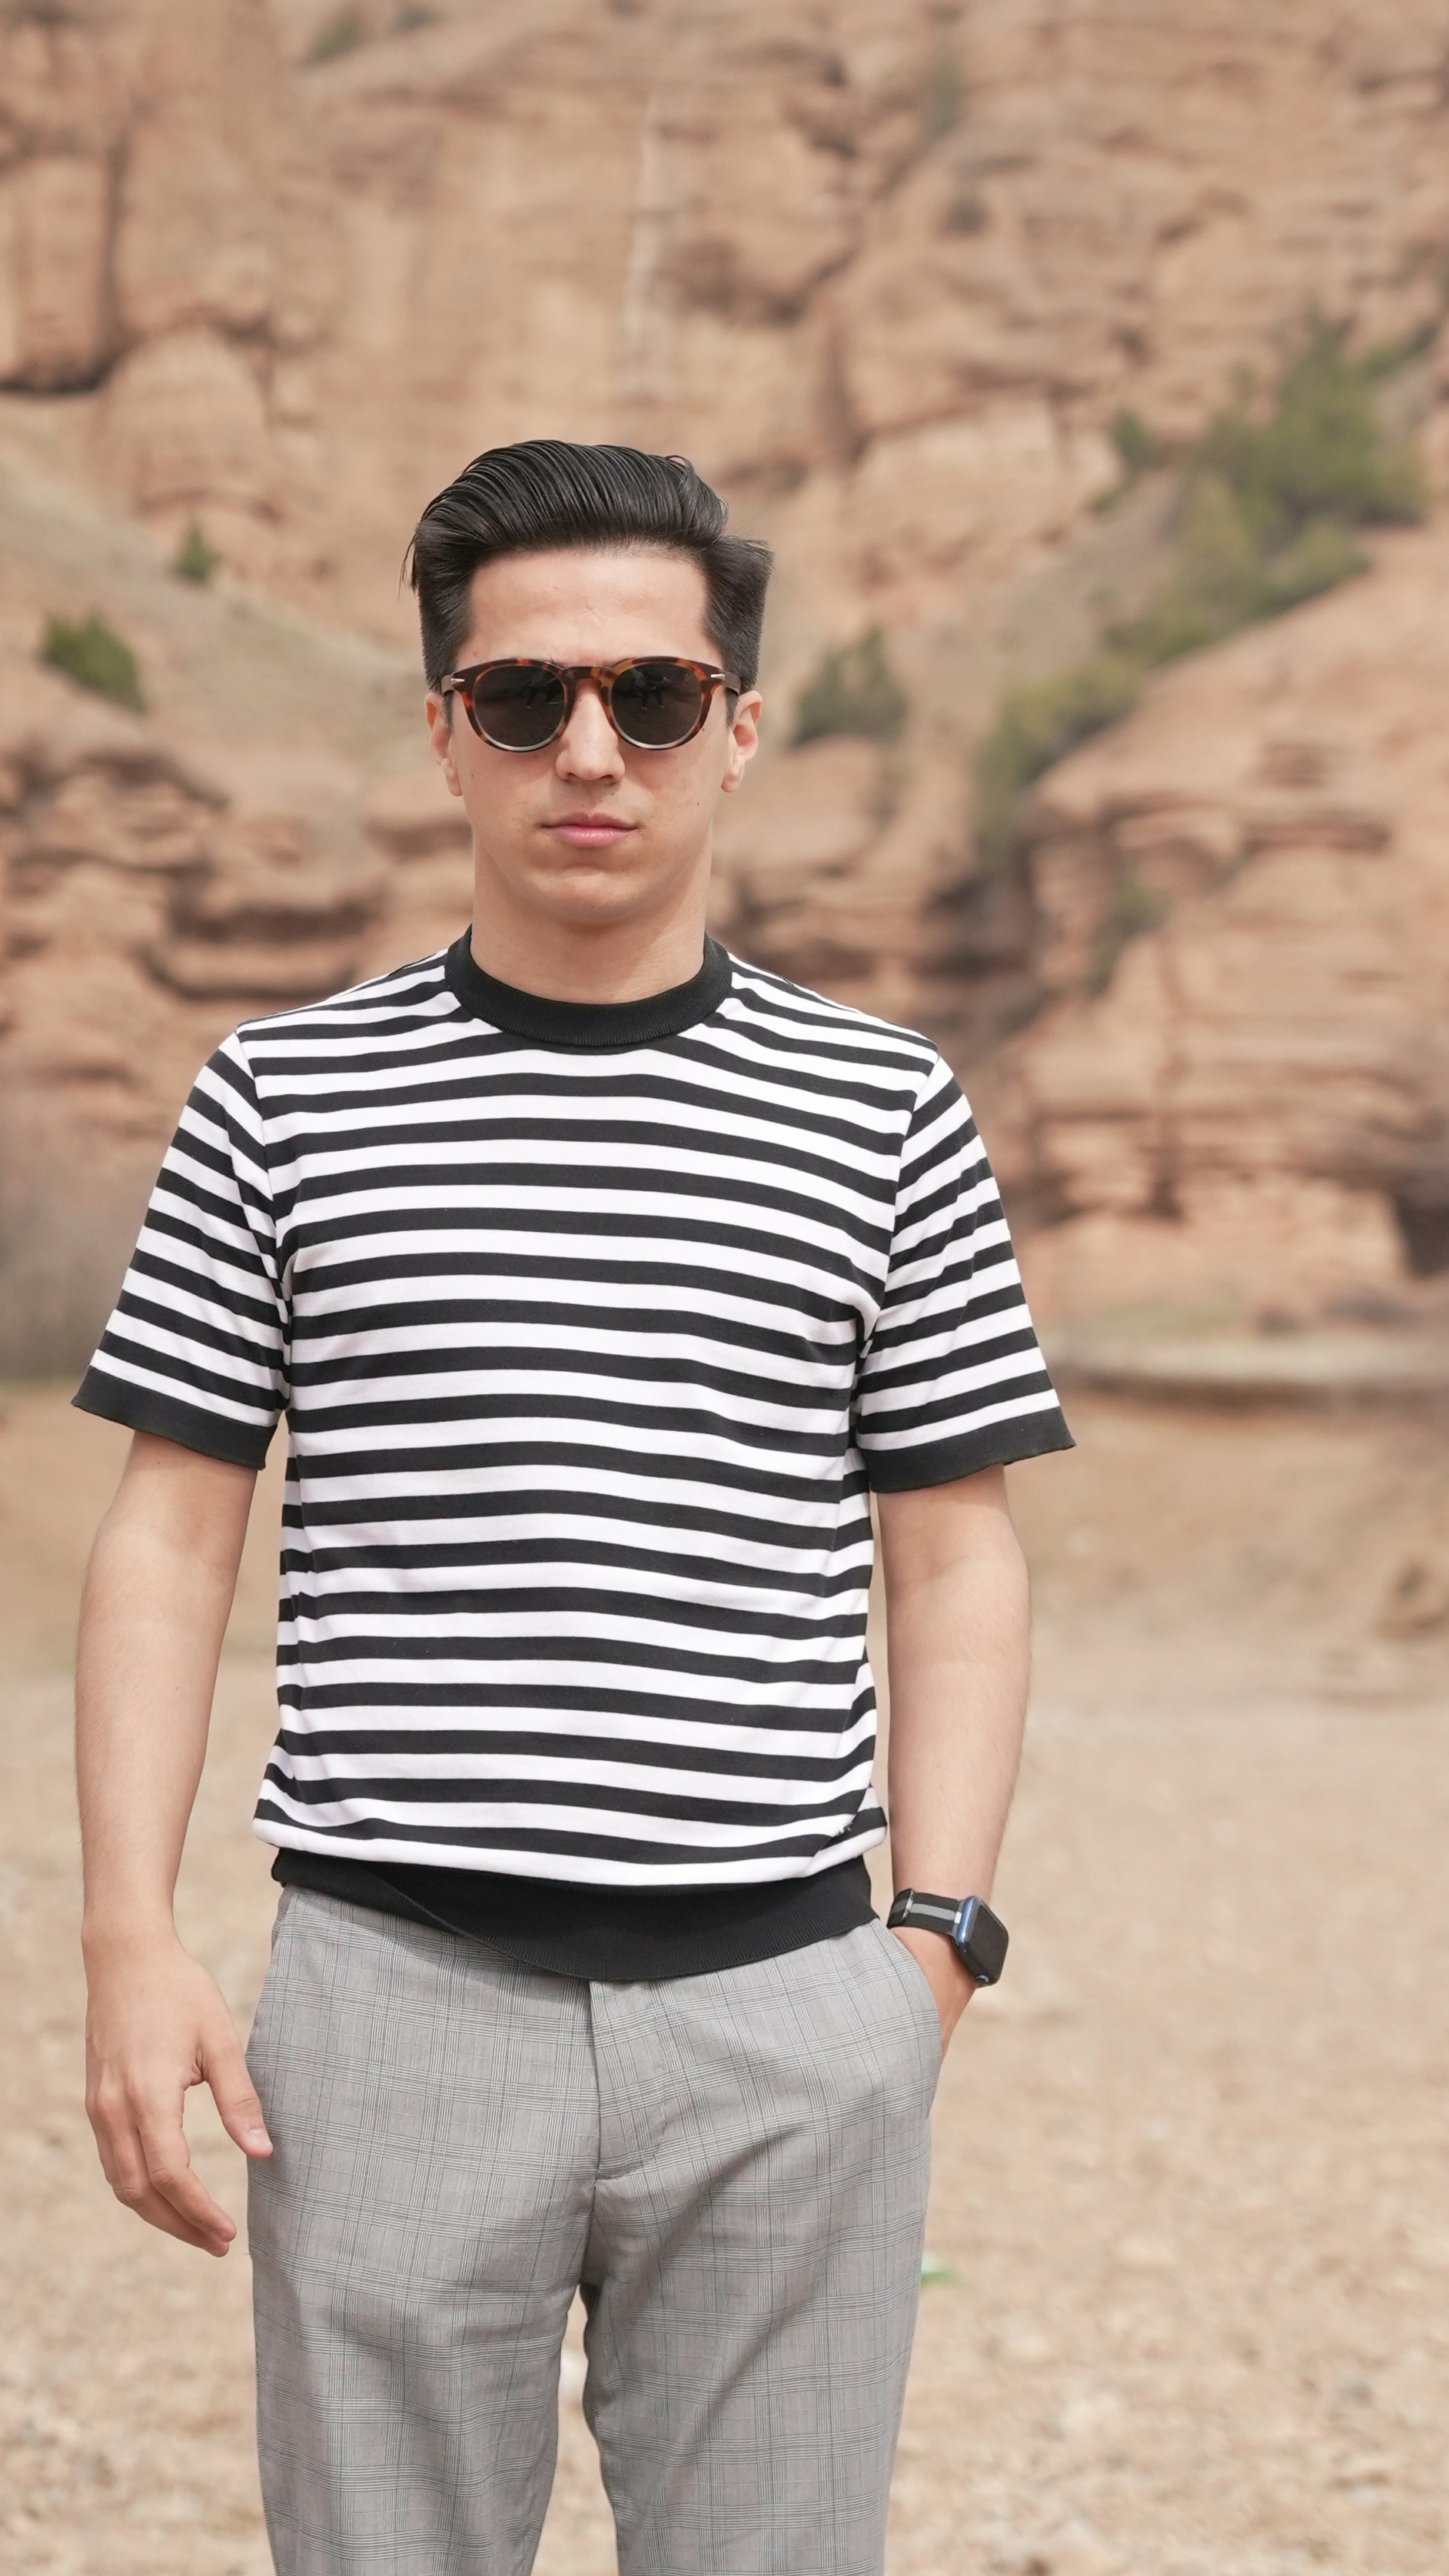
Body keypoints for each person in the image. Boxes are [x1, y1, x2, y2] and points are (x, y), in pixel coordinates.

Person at [72, 439, 1073, 2576]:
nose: (592, 751)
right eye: (526, 698)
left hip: (790, 2018)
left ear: (741, 726)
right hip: (389, 2005)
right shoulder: (279, 1100)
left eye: (655, 695)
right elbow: (168, 1536)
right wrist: (130, 1938)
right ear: (446, 732)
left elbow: (955, 1553)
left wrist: (936, 1950)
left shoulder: (887, 1107)